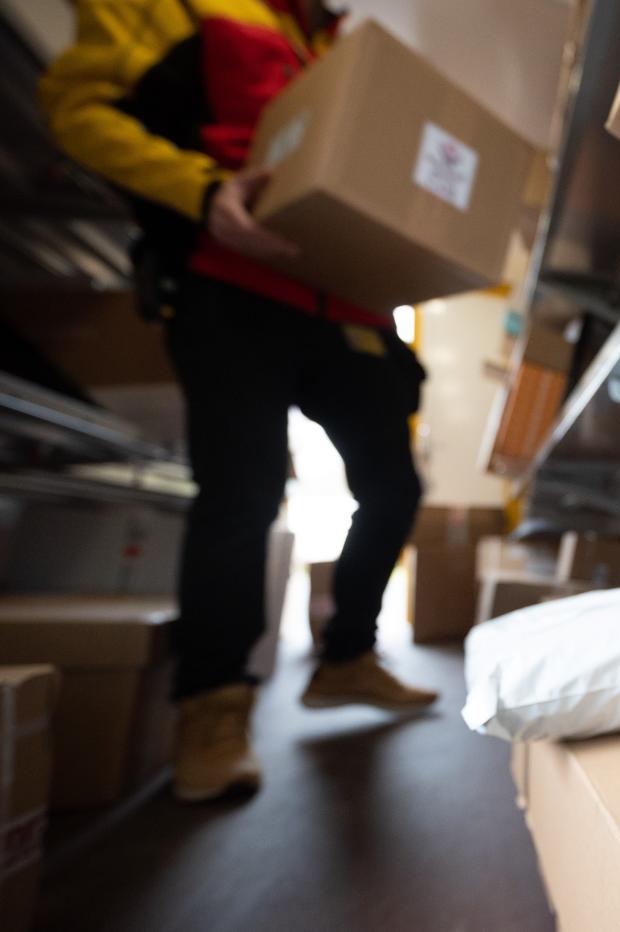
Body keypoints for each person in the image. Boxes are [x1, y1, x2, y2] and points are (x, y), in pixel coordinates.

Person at [40, 0, 438, 803]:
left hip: (345, 301)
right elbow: (78, 115)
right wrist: (201, 188)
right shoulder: (172, 8)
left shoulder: (332, 46)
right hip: (231, 286)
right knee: (244, 494)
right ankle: (213, 711)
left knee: (395, 487)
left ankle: (348, 657)